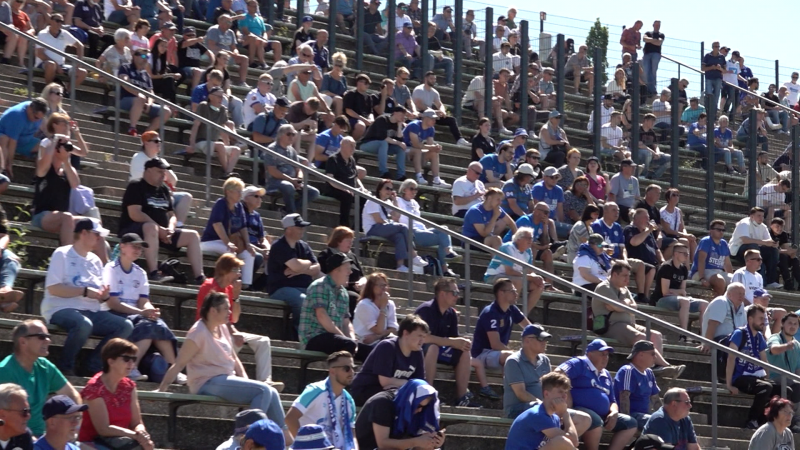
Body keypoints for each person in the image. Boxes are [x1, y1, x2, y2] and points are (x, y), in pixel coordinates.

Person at [158, 292, 287, 436]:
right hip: (205, 382)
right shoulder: (197, 332)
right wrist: (162, 389)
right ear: (213, 310)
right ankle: (245, 437)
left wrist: (245, 380)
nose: (230, 312)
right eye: (226, 309)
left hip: (225, 379)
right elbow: (179, 363)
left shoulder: (222, 327)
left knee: (272, 392)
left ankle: (286, 439)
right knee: (263, 390)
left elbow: (234, 358)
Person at [41, 219, 133, 376]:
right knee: (84, 324)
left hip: (91, 309)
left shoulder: (95, 260)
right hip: (61, 307)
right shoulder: (62, 254)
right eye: (96, 234)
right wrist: (83, 291)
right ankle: (65, 366)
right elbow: (53, 288)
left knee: (126, 325)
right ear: (83, 233)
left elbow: (97, 293)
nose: (99, 238)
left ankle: (94, 364)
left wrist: (103, 296)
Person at [103, 233, 182, 383]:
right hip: (115, 313)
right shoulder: (111, 269)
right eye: (135, 246)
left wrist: (150, 310)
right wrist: (141, 312)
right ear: (122, 247)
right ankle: (132, 368)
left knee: (157, 323)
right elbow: (112, 303)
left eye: (140, 248)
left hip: (135, 314)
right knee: (147, 325)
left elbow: (143, 301)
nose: (138, 250)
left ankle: (174, 369)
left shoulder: (140, 272)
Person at [196, 254, 279, 390]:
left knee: (263, 341)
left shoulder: (229, 289)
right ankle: (231, 379)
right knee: (234, 342)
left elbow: (234, 318)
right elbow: (210, 319)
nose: (239, 274)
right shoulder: (208, 286)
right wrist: (233, 334)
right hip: (210, 334)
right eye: (236, 270)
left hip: (227, 331)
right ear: (225, 270)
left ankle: (265, 381)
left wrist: (235, 297)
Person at [118, 158, 205, 283]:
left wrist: (170, 229)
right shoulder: (136, 186)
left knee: (193, 235)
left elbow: (172, 215)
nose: (163, 175)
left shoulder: (163, 189)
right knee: (150, 227)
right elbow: (134, 213)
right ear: (148, 171)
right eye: (159, 171)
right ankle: (154, 272)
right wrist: (159, 229)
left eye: (164, 172)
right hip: (137, 231)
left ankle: (200, 277)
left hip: (162, 233)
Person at [593, 262, 683, 375]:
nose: (628, 279)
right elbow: (619, 307)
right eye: (624, 275)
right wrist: (621, 305)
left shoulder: (624, 289)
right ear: (615, 274)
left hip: (629, 324)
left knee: (656, 335)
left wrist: (622, 304)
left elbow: (634, 307)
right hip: (611, 325)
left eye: (629, 276)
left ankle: (655, 367)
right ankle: (665, 366)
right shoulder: (604, 287)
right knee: (641, 337)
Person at [0, 320, 82, 437]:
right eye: (41, 337)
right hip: (17, 438)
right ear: (23, 341)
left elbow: (72, 395)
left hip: (43, 437)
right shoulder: (4, 371)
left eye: (48, 336)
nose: (48, 340)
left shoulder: (45, 366)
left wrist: (74, 427)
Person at [556, 339, 638, 450]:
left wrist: (614, 412)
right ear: (590, 354)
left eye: (607, 355)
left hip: (605, 415)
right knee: (595, 420)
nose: (606, 357)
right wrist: (567, 394)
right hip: (581, 409)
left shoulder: (606, 374)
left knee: (630, 423)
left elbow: (612, 400)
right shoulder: (579, 363)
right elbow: (557, 374)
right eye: (602, 354)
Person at [414, 278, 481, 407]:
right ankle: (426, 394)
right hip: (418, 350)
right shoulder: (426, 310)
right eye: (454, 292)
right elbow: (423, 338)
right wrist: (451, 341)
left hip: (439, 350)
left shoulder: (451, 313)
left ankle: (462, 397)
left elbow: (454, 340)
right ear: (442, 293)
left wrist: (460, 342)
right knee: (433, 348)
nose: (458, 296)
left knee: (464, 350)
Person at [77, 339, 154, 450]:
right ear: (111, 361)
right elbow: (103, 429)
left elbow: (136, 422)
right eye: (126, 359)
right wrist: (134, 435)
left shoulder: (129, 386)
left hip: (122, 441)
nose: (131, 363)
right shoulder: (94, 388)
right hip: (92, 443)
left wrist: (142, 434)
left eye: (133, 359)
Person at [471, 278, 532, 398]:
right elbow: (495, 344)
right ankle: (511, 394)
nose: (516, 293)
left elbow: (529, 328)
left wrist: (536, 337)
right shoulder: (490, 312)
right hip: (482, 353)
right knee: (511, 357)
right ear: (501, 293)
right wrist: (517, 354)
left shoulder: (512, 309)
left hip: (496, 354)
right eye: (512, 291)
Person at [349, 315, 428, 406]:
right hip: (366, 391)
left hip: (391, 391)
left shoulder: (417, 352)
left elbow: (420, 383)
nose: (422, 340)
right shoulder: (387, 347)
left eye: (424, 337)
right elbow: (385, 382)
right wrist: (410, 384)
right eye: (419, 336)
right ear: (406, 333)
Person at [725, 304, 782, 429]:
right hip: (740, 377)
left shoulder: (759, 336)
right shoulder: (739, 333)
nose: (764, 322)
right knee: (765, 387)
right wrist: (729, 384)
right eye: (760, 319)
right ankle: (752, 420)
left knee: (785, 390)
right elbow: (731, 358)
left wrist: (767, 376)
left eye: (764, 319)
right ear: (750, 319)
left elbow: (764, 360)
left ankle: (766, 420)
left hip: (756, 376)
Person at [286, 351, 356, 450]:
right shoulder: (315, 390)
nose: (352, 372)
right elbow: (290, 418)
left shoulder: (349, 400)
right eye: (347, 368)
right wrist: (303, 444)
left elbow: (352, 433)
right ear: (332, 371)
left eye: (353, 368)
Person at [354, 379, 444, 450]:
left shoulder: (414, 410)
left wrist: (432, 443)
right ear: (410, 400)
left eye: (424, 407)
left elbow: (413, 445)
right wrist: (416, 442)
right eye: (418, 406)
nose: (420, 410)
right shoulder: (382, 402)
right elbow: (383, 444)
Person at [200, 178, 257, 289]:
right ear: (228, 191)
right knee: (229, 252)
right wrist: (227, 243)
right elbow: (217, 225)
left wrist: (248, 244)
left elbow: (243, 227)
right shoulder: (220, 204)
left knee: (249, 254)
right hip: (211, 241)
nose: (240, 194)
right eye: (238, 191)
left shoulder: (239, 206)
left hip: (227, 242)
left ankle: (245, 285)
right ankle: (228, 283)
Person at [129, 131, 193, 229]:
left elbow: (174, 180)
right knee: (168, 199)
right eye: (156, 141)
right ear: (146, 143)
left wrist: (164, 171)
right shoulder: (138, 158)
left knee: (186, 197)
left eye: (160, 141)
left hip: (161, 193)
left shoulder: (161, 161)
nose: (159, 143)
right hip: (143, 194)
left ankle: (178, 226)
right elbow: (142, 179)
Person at [267, 213, 319, 330]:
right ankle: (298, 331)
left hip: (304, 287)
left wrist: (300, 270)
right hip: (280, 288)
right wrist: (308, 263)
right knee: (303, 301)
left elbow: (317, 269)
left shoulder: (304, 246)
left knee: (321, 301)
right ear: (289, 229)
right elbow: (296, 265)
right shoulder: (279, 246)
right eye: (299, 227)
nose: (302, 230)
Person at [299, 251, 358, 355]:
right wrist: (345, 339)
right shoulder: (320, 286)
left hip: (334, 337)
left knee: (370, 351)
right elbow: (322, 316)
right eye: (347, 269)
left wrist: (353, 339)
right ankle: (344, 371)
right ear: (336, 270)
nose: (350, 272)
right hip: (313, 338)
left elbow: (346, 322)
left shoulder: (343, 292)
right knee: (347, 345)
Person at [505, 372, 581, 450]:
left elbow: (573, 444)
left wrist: (565, 413)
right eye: (560, 392)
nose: (564, 396)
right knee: (561, 442)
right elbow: (572, 441)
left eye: (565, 392)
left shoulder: (554, 418)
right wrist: (565, 413)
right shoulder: (537, 415)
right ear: (546, 394)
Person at [362, 179, 425, 273]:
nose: (389, 191)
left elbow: (396, 216)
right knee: (403, 227)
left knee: (399, 236)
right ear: (380, 189)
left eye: (391, 189)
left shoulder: (387, 202)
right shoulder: (373, 200)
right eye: (387, 188)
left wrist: (394, 200)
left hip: (383, 227)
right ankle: (414, 255)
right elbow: (378, 220)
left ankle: (401, 265)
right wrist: (390, 223)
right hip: (373, 228)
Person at [652, 243, 708, 342]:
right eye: (684, 254)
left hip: (678, 299)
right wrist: (680, 292)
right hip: (661, 299)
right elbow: (665, 292)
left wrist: (678, 292)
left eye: (687, 254)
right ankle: (684, 334)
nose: (687, 256)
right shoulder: (666, 267)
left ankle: (702, 337)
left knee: (705, 304)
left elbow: (683, 290)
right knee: (685, 301)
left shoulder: (683, 269)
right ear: (676, 254)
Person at [187, 86, 242, 178]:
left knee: (236, 150)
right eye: (219, 96)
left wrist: (227, 145)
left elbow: (222, 129)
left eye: (222, 97)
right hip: (201, 142)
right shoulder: (203, 106)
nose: (221, 99)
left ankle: (228, 172)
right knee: (220, 145)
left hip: (214, 144)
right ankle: (228, 173)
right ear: (210, 96)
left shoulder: (222, 110)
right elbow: (196, 125)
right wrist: (192, 144)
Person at [263, 124, 320, 214]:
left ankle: (286, 211)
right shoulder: (272, 149)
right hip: (275, 181)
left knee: (313, 192)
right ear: (281, 135)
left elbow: (298, 168)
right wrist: (291, 180)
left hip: (292, 181)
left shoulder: (291, 150)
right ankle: (292, 214)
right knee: (288, 186)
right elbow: (272, 171)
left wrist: (299, 180)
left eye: (293, 134)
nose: (292, 137)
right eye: (289, 134)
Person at [487, 226, 547, 311]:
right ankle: (509, 312)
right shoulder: (507, 248)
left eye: (532, 238)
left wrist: (536, 277)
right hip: (495, 276)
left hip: (516, 276)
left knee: (539, 285)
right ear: (519, 239)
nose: (531, 241)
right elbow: (509, 271)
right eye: (528, 238)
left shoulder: (528, 251)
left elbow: (530, 271)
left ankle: (523, 315)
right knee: (517, 281)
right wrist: (530, 277)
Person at [117, 48, 171, 137]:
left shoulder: (146, 75)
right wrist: (139, 95)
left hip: (143, 102)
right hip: (125, 100)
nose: (145, 58)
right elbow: (124, 83)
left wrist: (149, 103)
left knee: (166, 111)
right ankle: (132, 128)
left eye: (147, 56)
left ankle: (146, 134)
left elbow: (151, 92)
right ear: (135, 56)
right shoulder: (125, 67)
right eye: (143, 56)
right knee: (140, 98)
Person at [412, 71, 469, 146]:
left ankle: (459, 140)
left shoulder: (434, 92)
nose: (433, 80)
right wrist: (433, 111)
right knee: (429, 117)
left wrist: (442, 112)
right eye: (431, 78)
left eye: (434, 79)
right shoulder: (419, 89)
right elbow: (419, 104)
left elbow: (440, 104)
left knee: (451, 120)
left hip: (430, 114)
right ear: (426, 79)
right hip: (420, 114)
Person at [730, 207, 781, 289]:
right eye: (759, 216)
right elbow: (745, 240)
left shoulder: (763, 226)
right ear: (752, 216)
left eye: (762, 216)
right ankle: (761, 282)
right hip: (738, 250)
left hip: (757, 250)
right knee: (753, 247)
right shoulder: (744, 223)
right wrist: (764, 242)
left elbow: (768, 240)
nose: (761, 218)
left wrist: (773, 244)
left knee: (773, 251)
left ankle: (771, 281)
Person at [614, 341, 662, 429]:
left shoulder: (649, 373)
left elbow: (656, 400)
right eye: (653, 354)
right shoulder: (628, 371)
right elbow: (624, 398)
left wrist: (666, 416)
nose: (655, 357)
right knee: (658, 423)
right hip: (632, 415)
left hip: (644, 416)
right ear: (641, 354)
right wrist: (627, 422)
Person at [765, 312, 800, 432]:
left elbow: (798, 369)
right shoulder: (775, 338)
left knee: (796, 385)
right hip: (775, 378)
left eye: (795, 324)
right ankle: (796, 420)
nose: (793, 326)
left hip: (790, 380)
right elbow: (773, 350)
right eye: (790, 323)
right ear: (783, 324)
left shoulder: (797, 345)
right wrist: (786, 346)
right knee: (796, 386)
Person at [351, 273, 397, 358]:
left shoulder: (390, 304)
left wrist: (376, 337)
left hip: (379, 340)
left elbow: (393, 329)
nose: (384, 289)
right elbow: (378, 330)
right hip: (363, 343)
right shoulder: (364, 305)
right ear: (372, 287)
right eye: (380, 286)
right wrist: (383, 307)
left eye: (385, 285)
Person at [35, 14, 86, 89]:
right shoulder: (42, 34)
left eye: (61, 21)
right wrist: (56, 65)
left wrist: (78, 64)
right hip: (43, 64)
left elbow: (80, 46)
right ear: (51, 21)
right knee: (51, 65)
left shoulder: (64, 33)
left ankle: (67, 92)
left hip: (61, 65)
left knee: (82, 72)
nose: (59, 23)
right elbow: (39, 54)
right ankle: (49, 90)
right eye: (57, 21)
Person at [0, 97, 47, 179]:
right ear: (29, 109)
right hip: (7, 139)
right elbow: (12, 142)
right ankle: (2, 171)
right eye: (36, 118)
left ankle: (38, 178)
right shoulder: (17, 115)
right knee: (4, 140)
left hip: (24, 141)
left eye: (40, 118)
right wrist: (10, 164)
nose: (37, 121)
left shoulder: (37, 114)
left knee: (46, 146)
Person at [324, 137, 365, 227]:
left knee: (364, 198)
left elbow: (355, 177)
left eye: (354, 146)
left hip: (350, 189)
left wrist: (362, 189)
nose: (353, 148)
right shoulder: (333, 159)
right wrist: (344, 188)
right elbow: (330, 179)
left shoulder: (352, 160)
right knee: (347, 196)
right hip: (334, 189)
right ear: (343, 146)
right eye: (351, 146)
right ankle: (344, 225)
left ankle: (358, 226)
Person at [403, 110, 449, 187]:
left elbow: (430, 144)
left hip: (416, 151)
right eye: (432, 119)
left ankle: (436, 180)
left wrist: (435, 147)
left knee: (434, 153)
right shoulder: (414, 125)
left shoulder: (431, 129)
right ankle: (419, 176)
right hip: (403, 150)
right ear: (426, 118)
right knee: (417, 150)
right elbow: (416, 144)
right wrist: (431, 147)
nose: (434, 121)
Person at [360, 106, 408, 180]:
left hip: (384, 148)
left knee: (400, 148)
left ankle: (401, 175)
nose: (403, 116)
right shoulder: (382, 119)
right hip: (367, 144)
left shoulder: (398, 124)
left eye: (404, 115)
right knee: (384, 142)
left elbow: (400, 139)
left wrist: (399, 126)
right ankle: (384, 172)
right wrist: (399, 143)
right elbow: (384, 137)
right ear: (395, 113)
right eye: (402, 114)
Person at [690, 220, 733, 296]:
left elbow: (727, 264)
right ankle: (718, 304)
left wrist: (732, 277)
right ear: (711, 230)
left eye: (723, 230)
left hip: (718, 271)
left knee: (736, 281)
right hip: (701, 271)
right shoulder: (706, 241)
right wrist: (702, 278)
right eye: (718, 230)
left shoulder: (724, 243)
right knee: (720, 281)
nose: (721, 232)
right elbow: (701, 261)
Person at [701, 282, 748, 351]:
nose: (741, 296)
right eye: (739, 293)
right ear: (729, 294)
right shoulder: (721, 302)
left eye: (743, 294)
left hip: (734, 342)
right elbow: (712, 324)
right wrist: (707, 343)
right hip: (719, 342)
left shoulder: (741, 307)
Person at [205, 14, 249, 86]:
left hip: (228, 54)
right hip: (215, 54)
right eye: (227, 22)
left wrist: (235, 52)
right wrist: (226, 52)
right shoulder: (213, 30)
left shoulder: (231, 32)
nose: (230, 24)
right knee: (223, 57)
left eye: (230, 22)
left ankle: (242, 82)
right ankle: (223, 80)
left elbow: (233, 47)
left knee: (244, 58)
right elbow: (211, 46)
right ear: (220, 22)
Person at [532, 166, 571, 238]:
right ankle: (555, 244)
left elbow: (560, 209)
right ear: (545, 177)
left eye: (556, 177)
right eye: (552, 177)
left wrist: (561, 223)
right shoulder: (538, 188)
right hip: (539, 220)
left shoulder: (559, 190)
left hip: (552, 220)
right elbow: (535, 208)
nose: (555, 180)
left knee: (571, 230)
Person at [660, 188, 697, 260]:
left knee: (692, 241)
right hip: (667, 236)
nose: (676, 197)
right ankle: (687, 267)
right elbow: (668, 230)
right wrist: (684, 235)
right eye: (674, 195)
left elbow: (682, 227)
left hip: (677, 235)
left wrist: (686, 235)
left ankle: (694, 264)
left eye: (678, 195)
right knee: (685, 241)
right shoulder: (663, 211)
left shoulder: (678, 211)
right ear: (668, 198)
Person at [769, 218, 800, 291]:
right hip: (771, 257)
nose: (779, 229)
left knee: (795, 260)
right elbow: (773, 249)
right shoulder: (768, 233)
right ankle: (787, 281)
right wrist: (787, 251)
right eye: (777, 226)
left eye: (781, 226)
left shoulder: (783, 234)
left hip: (782, 256)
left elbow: (785, 246)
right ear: (771, 226)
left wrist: (792, 251)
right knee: (783, 257)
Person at [0, 384, 34, 450]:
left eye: (28, 411)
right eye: (24, 411)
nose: (28, 416)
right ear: (2, 414)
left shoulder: (23, 437)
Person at [641, 20, 664, 95]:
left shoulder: (661, 34)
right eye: (656, 25)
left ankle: (652, 89)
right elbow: (644, 39)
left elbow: (659, 43)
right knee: (646, 71)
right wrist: (654, 40)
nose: (657, 26)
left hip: (656, 54)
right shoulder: (648, 33)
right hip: (647, 54)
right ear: (653, 25)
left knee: (653, 71)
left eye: (658, 25)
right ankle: (648, 89)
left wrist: (649, 40)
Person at [702, 41, 725, 106]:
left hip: (718, 78)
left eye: (718, 47)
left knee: (716, 95)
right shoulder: (707, 56)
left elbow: (725, 70)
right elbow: (703, 68)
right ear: (712, 47)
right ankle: (708, 108)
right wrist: (712, 67)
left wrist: (719, 68)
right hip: (709, 77)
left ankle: (714, 110)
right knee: (709, 94)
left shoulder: (722, 57)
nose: (717, 48)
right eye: (715, 46)